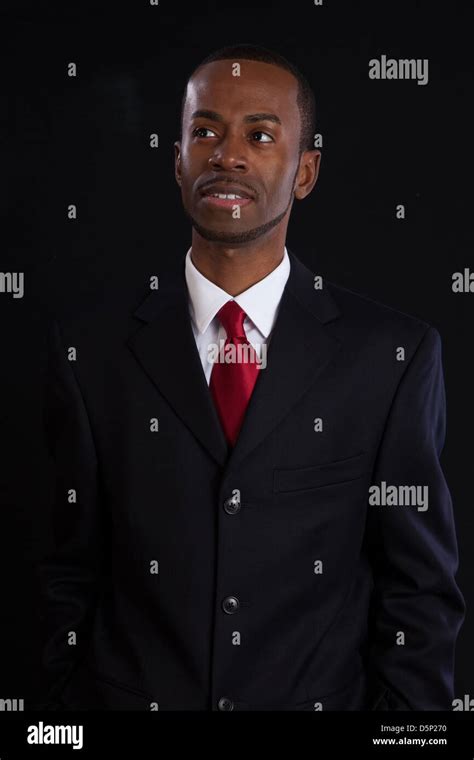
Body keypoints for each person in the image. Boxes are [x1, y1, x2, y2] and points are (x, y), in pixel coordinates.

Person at [36, 43, 465, 711]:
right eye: (204, 131)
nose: (226, 155)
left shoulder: (393, 357)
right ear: (177, 161)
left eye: (259, 134)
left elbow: (420, 593)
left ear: (306, 171)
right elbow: (66, 573)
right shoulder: (88, 351)